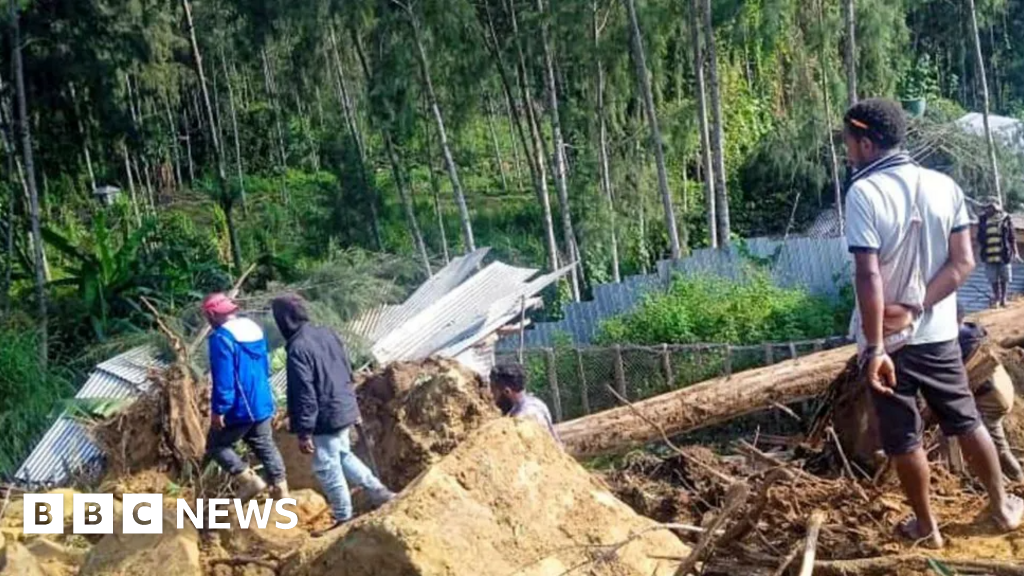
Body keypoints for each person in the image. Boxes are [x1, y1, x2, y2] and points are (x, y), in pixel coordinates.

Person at [844, 98, 1022, 548]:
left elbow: (867, 273)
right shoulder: (945, 185)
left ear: (866, 143)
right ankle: (1002, 507)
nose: (847, 151)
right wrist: (919, 305)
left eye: (848, 142)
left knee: (904, 437)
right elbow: (963, 262)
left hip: (888, 343)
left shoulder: (864, 193)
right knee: (965, 421)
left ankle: (927, 526)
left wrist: (879, 346)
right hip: (940, 334)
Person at [270, 293, 395, 529]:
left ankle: (343, 516)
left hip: (325, 416)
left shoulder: (298, 348)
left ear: (283, 320)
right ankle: (378, 491)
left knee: (327, 466)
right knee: (343, 455)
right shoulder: (326, 333)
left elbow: (304, 393)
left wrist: (304, 430)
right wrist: (350, 400)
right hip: (344, 405)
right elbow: (346, 368)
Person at [202, 292, 288, 501]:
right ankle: (282, 490)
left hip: (241, 406)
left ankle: (249, 481)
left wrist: (220, 409)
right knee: (264, 442)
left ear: (212, 315)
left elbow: (224, 377)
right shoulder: (254, 329)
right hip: (262, 399)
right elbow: (265, 366)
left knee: (216, 445)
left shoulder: (221, 338)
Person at [958, 311, 1024, 482]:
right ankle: (1010, 479)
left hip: (992, 396)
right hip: (1002, 386)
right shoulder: (972, 331)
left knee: (991, 444)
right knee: (995, 442)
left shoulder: (956, 340)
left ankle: (1013, 480)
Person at [489, 362, 561, 444]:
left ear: (507, 391)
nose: (491, 395)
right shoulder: (535, 402)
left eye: (493, 390)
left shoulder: (525, 417)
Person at [977, 198, 1018, 308]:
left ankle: (1003, 299)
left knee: (1004, 277)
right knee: (993, 278)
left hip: (1003, 254)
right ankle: (996, 298)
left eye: (989, 207)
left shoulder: (1005, 219)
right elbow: (979, 238)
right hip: (989, 255)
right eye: (986, 208)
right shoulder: (983, 220)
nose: (986, 210)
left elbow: (1011, 237)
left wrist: (1016, 252)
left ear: (995, 208)